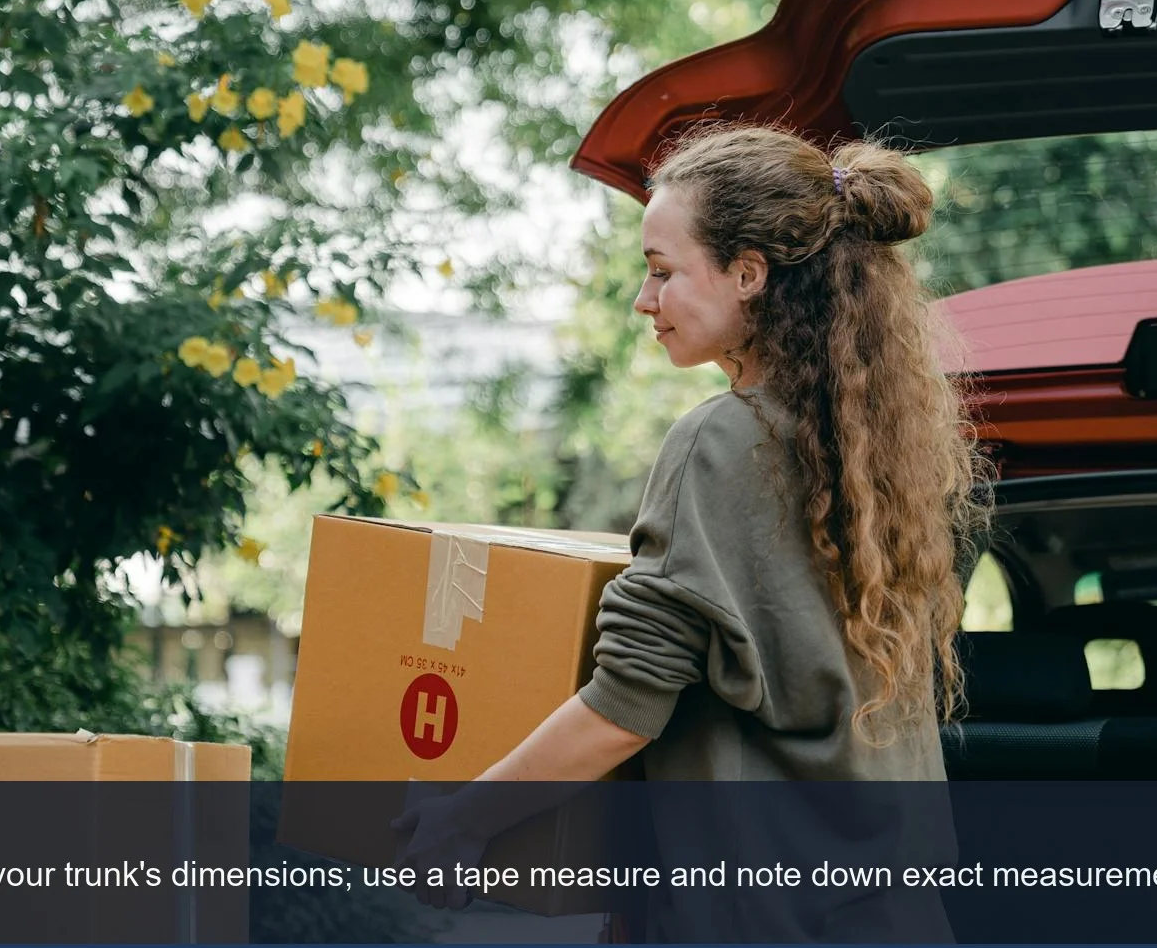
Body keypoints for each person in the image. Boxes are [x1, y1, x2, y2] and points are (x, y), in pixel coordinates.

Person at [395, 123, 993, 941]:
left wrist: (461, 820)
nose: (644, 300)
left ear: (748, 273)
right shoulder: (881, 453)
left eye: (662, 270)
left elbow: (625, 704)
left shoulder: (721, 440)